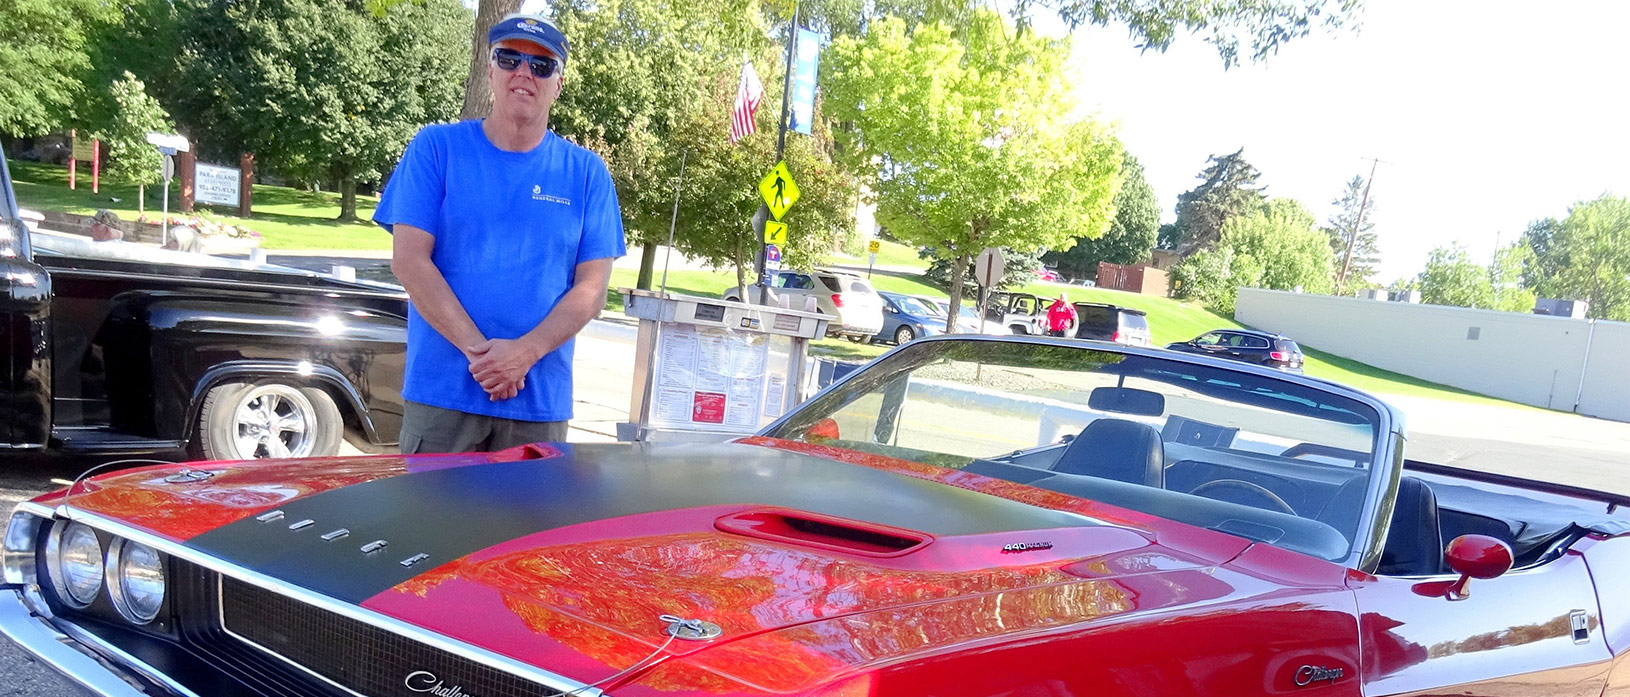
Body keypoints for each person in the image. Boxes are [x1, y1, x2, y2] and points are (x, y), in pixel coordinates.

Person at [373, 13, 625, 454]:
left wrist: (523, 355)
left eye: (541, 65)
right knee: (426, 524)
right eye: (509, 58)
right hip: (442, 398)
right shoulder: (436, 149)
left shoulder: (587, 174)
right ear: (490, 70)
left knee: (532, 527)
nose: (524, 72)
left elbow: (592, 290)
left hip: (537, 405)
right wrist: (484, 357)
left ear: (558, 84)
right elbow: (409, 262)